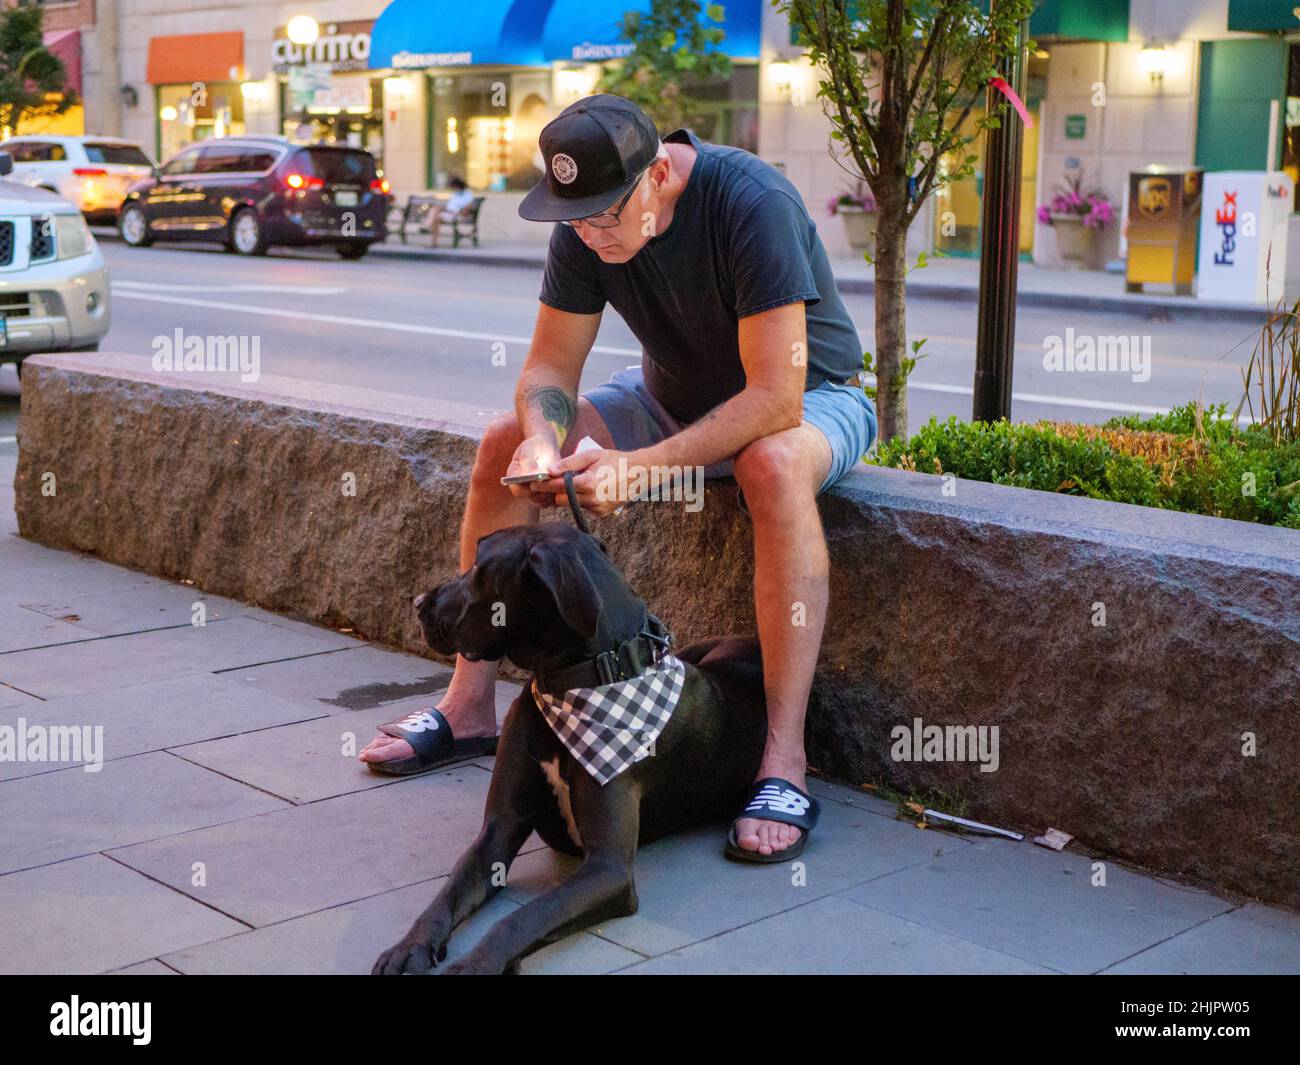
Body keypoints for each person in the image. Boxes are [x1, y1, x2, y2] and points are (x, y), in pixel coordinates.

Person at [360, 94, 876, 861]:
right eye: (577, 220)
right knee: (504, 437)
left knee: (769, 465)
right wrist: (541, 437)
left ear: (659, 173)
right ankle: (469, 705)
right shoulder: (583, 223)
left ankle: (782, 759)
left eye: (606, 218)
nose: (592, 235)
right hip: (667, 400)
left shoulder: (750, 203)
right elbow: (547, 370)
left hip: (811, 400)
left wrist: (639, 469)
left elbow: (776, 396)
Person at [429, 177, 475, 245]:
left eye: (453, 186)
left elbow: (470, 206)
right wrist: (444, 209)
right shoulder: (455, 194)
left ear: (458, 185)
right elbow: (450, 206)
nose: (453, 188)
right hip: (449, 212)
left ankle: (428, 229)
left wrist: (460, 212)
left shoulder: (467, 194)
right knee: (436, 209)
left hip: (456, 215)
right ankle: (433, 240)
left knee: (436, 218)